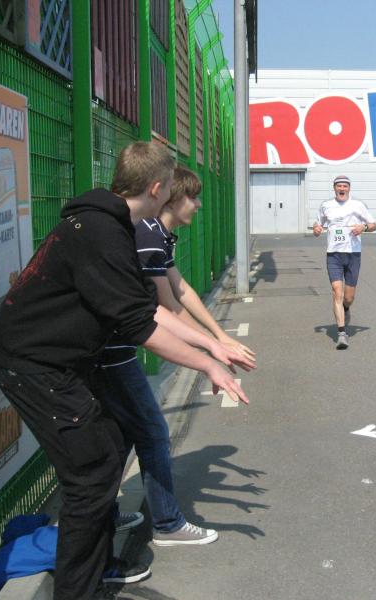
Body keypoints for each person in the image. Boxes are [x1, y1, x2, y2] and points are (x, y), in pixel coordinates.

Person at [0, 142, 248, 600]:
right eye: (172, 186)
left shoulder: (112, 225)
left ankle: (97, 564)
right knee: (91, 472)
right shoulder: (102, 232)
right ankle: (81, 587)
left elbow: (144, 308)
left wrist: (211, 343)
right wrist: (208, 363)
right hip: (32, 364)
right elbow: (141, 327)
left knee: (108, 446)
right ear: (157, 187)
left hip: (57, 361)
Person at [98, 165, 256, 547]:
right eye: (192, 197)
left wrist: (218, 338)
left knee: (124, 435)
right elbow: (165, 307)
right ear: (169, 196)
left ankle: (108, 516)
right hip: (111, 350)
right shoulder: (148, 235)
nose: (198, 205)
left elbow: (180, 289)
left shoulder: (158, 235)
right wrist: (210, 349)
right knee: (152, 431)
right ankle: (166, 523)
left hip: (115, 347)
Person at [312, 175, 376, 349]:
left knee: (348, 297)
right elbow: (318, 224)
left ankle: (346, 308)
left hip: (353, 254)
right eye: (339, 186)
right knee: (337, 292)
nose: (342, 189)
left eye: (344, 186)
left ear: (349, 188)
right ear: (334, 188)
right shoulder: (326, 205)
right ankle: (342, 334)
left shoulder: (358, 205)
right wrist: (316, 229)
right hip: (333, 255)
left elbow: (373, 224)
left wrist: (363, 227)